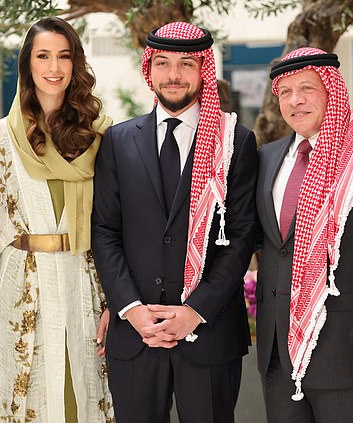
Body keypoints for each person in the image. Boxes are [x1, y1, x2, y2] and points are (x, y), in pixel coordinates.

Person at [91, 22, 259, 423]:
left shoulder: (234, 141)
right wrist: (131, 309)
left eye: (186, 64)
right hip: (135, 333)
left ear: (204, 70)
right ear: (149, 69)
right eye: (162, 63)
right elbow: (105, 231)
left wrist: (194, 312)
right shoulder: (117, 140)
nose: (173, 75)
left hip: (209, 333)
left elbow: (240, 239)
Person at [255, 47, 353, 422]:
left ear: (332, 91)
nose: (295, 100)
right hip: (279, 356)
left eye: (307, 88)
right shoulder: (268, 157)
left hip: (349, 356)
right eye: (285, 92)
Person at [0, 17, 114, 423]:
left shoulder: (99, 136)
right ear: (27, 65)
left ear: (75, 64)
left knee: (84, 392)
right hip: (22, 284)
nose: (54, 67)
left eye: (64, 56)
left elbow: (113, 222)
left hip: (84, 278)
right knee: (29, 392)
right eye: (43, 56)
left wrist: (116, 301)